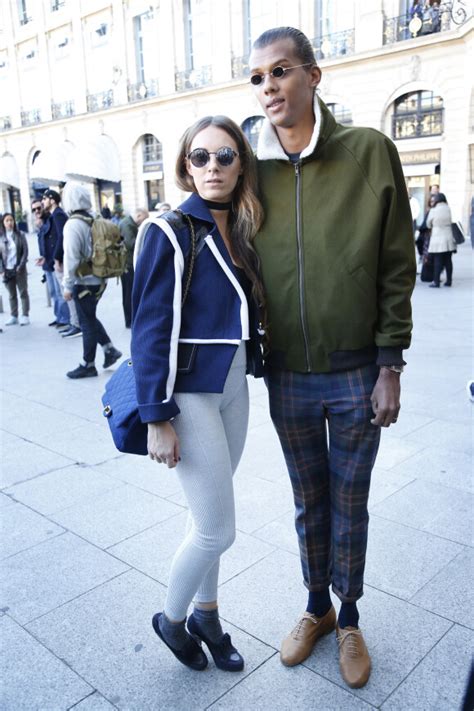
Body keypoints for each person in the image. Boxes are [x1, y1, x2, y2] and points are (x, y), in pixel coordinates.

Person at [248, 27, 416, 688]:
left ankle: (349, 616)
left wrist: (389, 364)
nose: (269, 88)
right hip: (287, 371)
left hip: (356, 372)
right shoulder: (251, 164)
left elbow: (398, 264)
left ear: (314, 76)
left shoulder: (370, 151)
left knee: (351, 499)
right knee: (307, 498)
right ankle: (314, 606)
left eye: (281, 72)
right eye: (258, 78)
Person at [132, 115, 265, 672]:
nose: (214, 167)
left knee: (209, 516)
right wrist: (157, 415)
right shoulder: (168, 230)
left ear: (240, 164)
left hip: (234, 385)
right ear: (186, 165)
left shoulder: (244, 227)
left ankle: (208, 614)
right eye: (201, 157)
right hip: (188, 394)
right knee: (218, 529)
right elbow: (150, 327)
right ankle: (172, 618)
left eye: (226, 156)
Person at [62, 183, 122, 379]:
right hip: (99, 279)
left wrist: (67, 285)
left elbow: (71, 258)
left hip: (83, 281)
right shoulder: (94, 218)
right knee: (90, 317)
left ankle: (88, 364)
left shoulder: (73, 224)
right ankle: (109, 349)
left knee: (86, 322)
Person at [119, 207, 149, 328]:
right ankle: (130, 320)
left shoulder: (128, 223)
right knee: (128, 293)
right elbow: (131, 243)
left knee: (129, 292)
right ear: (139, 215)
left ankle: (131, 319)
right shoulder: (127, 224)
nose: (143, 222)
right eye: (144, 218)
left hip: (128, 263)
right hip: (127, 264)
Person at [0, 212, 30, 326]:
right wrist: (1, 269)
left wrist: (21, 266)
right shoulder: (1, 237)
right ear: (3, 223)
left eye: (11, 220)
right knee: (11, 294)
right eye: (7, 221)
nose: (9, 223)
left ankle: (25, 315)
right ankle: (14, 316)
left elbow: (25, 252)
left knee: (23, 292)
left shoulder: (20, 234)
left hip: (19, 269)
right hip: (7, 270)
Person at [427, 192, 456, 287]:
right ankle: (449, 281)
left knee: (437, 261)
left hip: (437, 238)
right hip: (448, 237)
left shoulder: (433, 210)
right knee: (448, 261)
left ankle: (436, 282)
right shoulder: (448, 209)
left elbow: (428, 224)